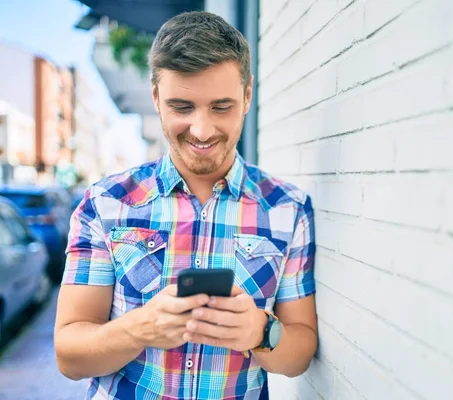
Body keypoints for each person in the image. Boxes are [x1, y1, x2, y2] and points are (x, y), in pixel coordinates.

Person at [54, 11, 317, 400]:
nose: (202, 130)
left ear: (247, 96)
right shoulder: (105, 203)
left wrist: (260, 333)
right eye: (182, 107)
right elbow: (69, 356)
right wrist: (141, 328)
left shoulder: (288, 209)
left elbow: (300, 352)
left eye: (221, 107)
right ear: (156, 97)